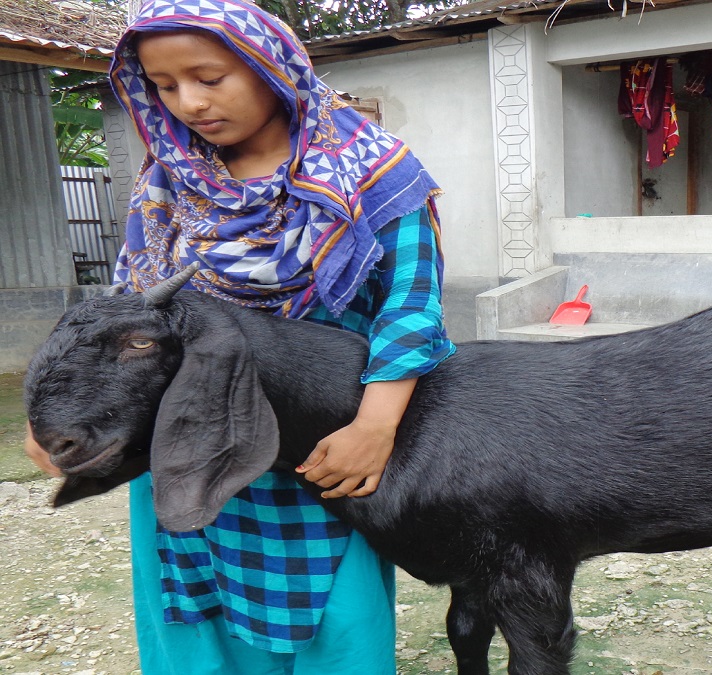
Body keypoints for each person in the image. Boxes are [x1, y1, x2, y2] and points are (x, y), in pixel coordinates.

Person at [24, 0, 454, 671]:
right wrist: (58, 416)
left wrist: (375, 426)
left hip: (319, 438)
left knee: (330, 612)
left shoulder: (374, 174)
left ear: (270, 67)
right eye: (166, 86)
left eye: (209, 77)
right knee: (193, 599)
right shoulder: (169, 177)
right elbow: (125, 310)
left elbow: (411, 306)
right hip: (183, 435)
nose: (189, 102)